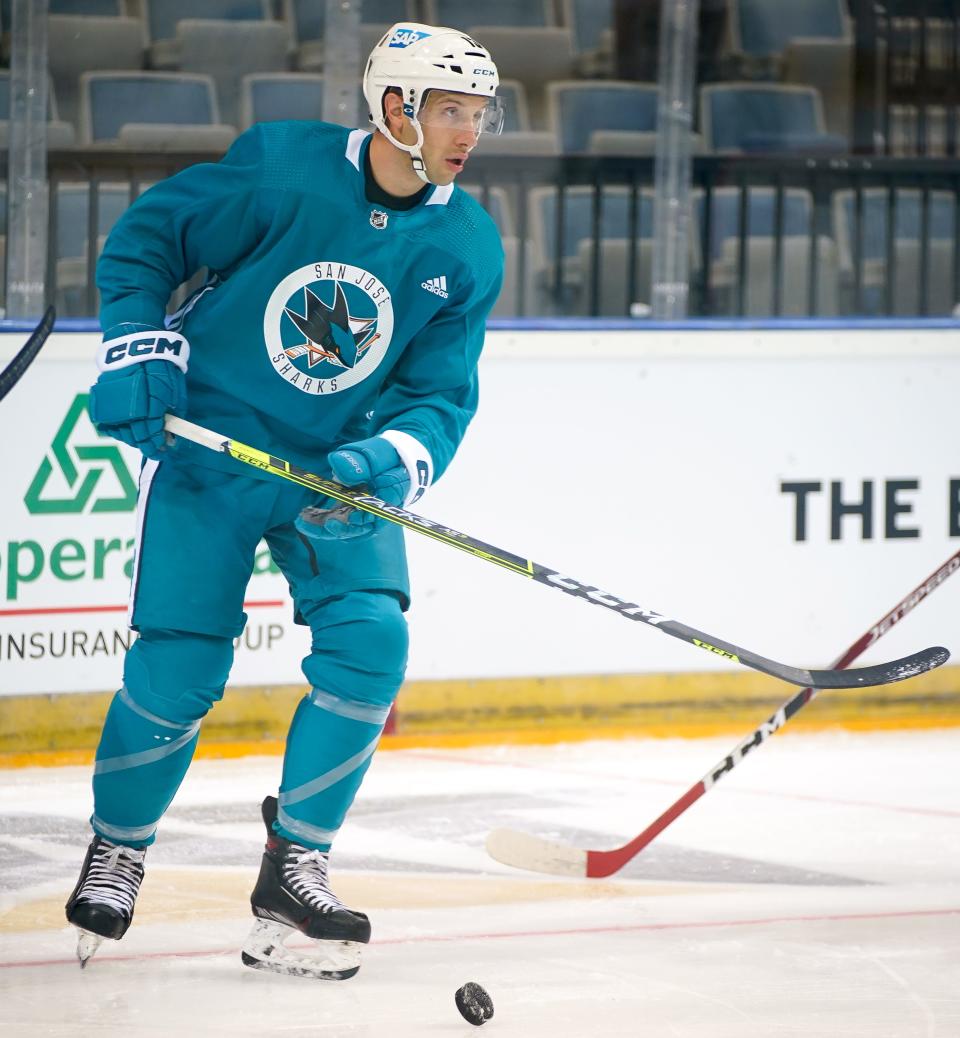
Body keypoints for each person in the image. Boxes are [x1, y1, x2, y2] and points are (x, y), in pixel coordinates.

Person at [64, 22, 505, 981]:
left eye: (480, 113)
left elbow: (441, 391)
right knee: (181, 663)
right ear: (396, 108)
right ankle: (120, 846)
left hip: (329, 475)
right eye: (452, 111)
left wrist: (387, 459)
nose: (469, 133)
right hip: (215, 455)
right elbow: (147, 240)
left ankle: (294, 867)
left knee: (371, 647)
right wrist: (139, 349)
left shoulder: (466, 239)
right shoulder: (285, 172)